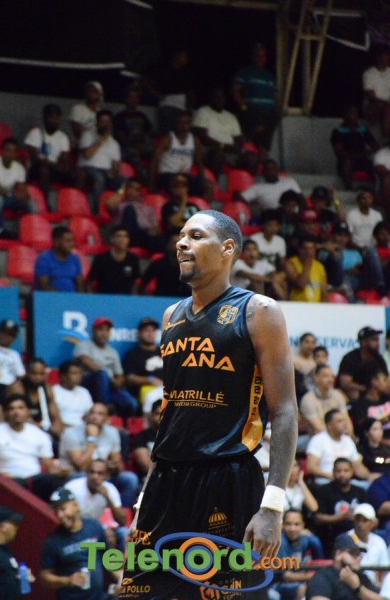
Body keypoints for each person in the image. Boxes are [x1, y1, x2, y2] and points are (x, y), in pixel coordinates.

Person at [121, 210, 298, 598]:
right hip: (166, 483)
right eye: (181, 236)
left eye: (196, 236)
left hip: (227, 480)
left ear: (227, 248)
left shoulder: (260, 311)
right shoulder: (171, 316)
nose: (181, 243)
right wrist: (143, 500)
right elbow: (171, 416)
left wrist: (273, 506)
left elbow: (284, 411)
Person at [59, 402, 139, 509]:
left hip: (102, 476)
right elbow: (81, 466)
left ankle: (122, 511)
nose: (95, 416)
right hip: (78, 477)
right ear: (86, 416)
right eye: (92, 413)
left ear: (107, 419)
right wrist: (92, 438)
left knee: (130, 479)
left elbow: (118, 464)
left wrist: (114, 466)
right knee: (85, 475)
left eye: (100, 414)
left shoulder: (112, 433)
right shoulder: (71, 433)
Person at [0, 395, 67, 500]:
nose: (16, 412)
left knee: (55, 481)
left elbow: (49, 466)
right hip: (7, 481)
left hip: (35, 480)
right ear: (6, 413)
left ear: (27, 412)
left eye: (20, 408)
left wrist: (60, 472)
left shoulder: (40, 435)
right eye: (12, 409)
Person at [40, 488, 109, 599]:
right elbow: (44, 577)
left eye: (63, 509)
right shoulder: (53, 541)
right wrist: (68, 580)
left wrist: (122, 581)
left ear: (76, 506)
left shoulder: (94, 526)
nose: (60, 515)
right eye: (56, 511)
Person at [73, 317, 138, 417]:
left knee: (131, 403)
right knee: (102, 375)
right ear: (94, 330)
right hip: (89, 384)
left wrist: (117, 382)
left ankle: (125, 423)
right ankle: (104, 409)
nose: (104, 333)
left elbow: (120, 375)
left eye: (107, 330)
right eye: (101, 329)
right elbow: (86, 361)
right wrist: (109, 377)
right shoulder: (84, 345)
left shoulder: (112, 352)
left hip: (109, 387)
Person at [64, 458, 128, 551]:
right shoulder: (72, 488)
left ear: (106, 476)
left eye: (100, 473)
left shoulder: (110, 489)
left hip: (95, 525)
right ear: (87, 473)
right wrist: (99, 529)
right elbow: (66, 517)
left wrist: (107, 497)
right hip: (76, 527)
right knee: (103, 534)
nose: (95, 476)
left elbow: (122, 521)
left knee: (123, 532)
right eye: (92, 472)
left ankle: (120, 560)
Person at [314, 458, 369, 555]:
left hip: (358, 533)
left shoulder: (360, 492)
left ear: (352, 472)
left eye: (346, 471)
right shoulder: (324, 491)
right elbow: (318, 518)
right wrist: (340, 517)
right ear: (333, 472)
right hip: (332, 535)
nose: (342, 474)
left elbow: (370, 515)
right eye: (338, 471)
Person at [306, 409, 373, 486]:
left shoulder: (348, 440)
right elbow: (311, 467)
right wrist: (332, 476)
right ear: (329, 425)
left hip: (347, 483)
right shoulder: (318, 440)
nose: (345, 424)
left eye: (345, 420)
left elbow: (357, 466)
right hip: (326, 483)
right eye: (340, 421)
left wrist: (370, 476)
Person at [306, 533, 382, 599]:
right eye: (353, 553)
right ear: (338, 554)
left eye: (359, 554)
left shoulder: (362, 578)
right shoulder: (323, 577)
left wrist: (358, 588)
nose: (359, 558)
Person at [232, 42, 278, 153]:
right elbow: (235, 91)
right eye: (257, 55)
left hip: (269, 115)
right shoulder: (245, 73)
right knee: (252, 143)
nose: (260, 58)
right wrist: (244, 108)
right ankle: (250, 161)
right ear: (252, 56)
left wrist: (277, 112)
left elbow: (276, 96)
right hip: (252, 113)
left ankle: (263, 163)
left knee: (265, 145)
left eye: (262, 55)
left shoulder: (270, 76)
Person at [77, 109, 123, 212]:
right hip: (88, 168)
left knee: (125, 181)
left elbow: (116, 165)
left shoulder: (115, 144)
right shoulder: (88, 135)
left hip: (106, 172)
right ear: (97, 123)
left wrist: (113, 172)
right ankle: (97, 211)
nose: (105, 125)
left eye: (108, 122)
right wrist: (102, 139)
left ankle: (116, 207)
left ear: (111, 124)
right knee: (99, 178)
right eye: (102, 122)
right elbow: (87, 154)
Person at [150, 112, 205, 197]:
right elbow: (155, 161)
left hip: (185, 175)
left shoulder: (194, 140)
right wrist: (152, 182)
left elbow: (199, 162)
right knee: (178, 182)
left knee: (206, 185)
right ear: (176, 124)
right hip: (167, 175)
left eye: (186, 123)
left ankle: (196, 204)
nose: (184, 126)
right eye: (181, 123)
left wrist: (202, 180)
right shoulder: (168, 138)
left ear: (190, 124)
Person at [273, 509, 324, 600]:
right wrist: (310, 576)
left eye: (297, 524)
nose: (292, 529)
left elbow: (320, 561)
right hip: (279, 585)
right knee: (304, 589)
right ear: (282, 525)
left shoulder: (307, 539)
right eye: (288, 524)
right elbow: (285, 576)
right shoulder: (279, 542)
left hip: (302, 582)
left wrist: (312, 537)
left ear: (303, 525)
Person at [24, 103, 73, 197]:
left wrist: (64, 167)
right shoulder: (35, 133)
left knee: (76, 173)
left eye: (57, 117)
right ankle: (45, 201)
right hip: (36, 169)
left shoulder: (63, 137)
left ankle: (71, 200)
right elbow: (35, 159)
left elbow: (65, 158)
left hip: (54, 169)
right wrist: (54, 165)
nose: (55, 120)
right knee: (44, 170)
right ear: (45, 118)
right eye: (51, 117)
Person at [8, 356, 63, 439]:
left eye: (41, 374)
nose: (38, 377)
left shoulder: (48, 389)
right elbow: (19, 416)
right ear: (26, 372)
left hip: (42, 432)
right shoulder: (17, 388)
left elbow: (56, 417)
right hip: (19, 430)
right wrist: (45, 428)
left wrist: (58, 430)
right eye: (34, 374)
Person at [0, 137, 33, 239]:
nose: (10, 154)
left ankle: (31, 230)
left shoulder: (19, 168)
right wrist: (12, 194)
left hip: (8, 198)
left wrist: (24, 195)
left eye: (14, 151)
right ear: (2, 151)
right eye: (8, 150)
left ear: (17, 154)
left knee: (31, 202)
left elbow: (22, 188)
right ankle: (0, 229)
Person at [192, 86, 243, 175]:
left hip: (230, 150)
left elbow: (238, 139)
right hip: (209, 149)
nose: (220, 100)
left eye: (222, 97)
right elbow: (203, 137)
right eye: (217, 97)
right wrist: (222, 146)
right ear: (211, 98)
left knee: (250, 158)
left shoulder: (231, 116)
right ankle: (217, 182)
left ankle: (248, 182)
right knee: (217, 155)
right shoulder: (202, 112)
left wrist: (236, 148)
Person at [107, 177, 165, 253]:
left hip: (143, 236)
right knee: (129, 209)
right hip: (126, 234)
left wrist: (154, 230)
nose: (132, 191)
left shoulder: (148, 208)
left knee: (161, 240)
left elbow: (156, 226)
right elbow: (110, 204)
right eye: (130, 188)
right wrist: (122, 190)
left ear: (140, 192)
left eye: (136, 190)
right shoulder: (121, 205)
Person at [331, 104, 378, 189]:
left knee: (378, 163)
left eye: (356, 113)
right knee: (347, 162)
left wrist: (370, 152)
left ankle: (375, 190)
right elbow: (339, 151)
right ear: (345, 115)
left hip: (362, 159)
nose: (355, 116)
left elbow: (375, 145)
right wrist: (354, 156)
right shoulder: (338, 132)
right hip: (347, 160)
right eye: (352, 113)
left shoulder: (363, 130)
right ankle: (349, 190)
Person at [114, 84, 154, 182]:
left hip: (142, 145)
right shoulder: (120, 116)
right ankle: (143, 180)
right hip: (126, 148)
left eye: (136, 97)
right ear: (125, 100)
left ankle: (154, 180)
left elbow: (150, 132)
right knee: (133, 153)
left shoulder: (142, 115)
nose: (134, 100)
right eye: (131, 97)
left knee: (156, 153)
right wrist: (136, 147)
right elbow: (122, 138)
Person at [300, 364, 353, 436]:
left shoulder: (338, 395)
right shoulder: (308, 399)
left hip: (339, 435)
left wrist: (348, 435)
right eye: (326, 376)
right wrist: (339, 436)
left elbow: (347, 420)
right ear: (316, 378)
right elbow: (318, 427)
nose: (330, 380)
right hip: (315, 438)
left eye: (332, 376)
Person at [338, 327, 388, 402]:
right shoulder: (350, 358)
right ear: (364, 342)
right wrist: (367, 389)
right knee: (354, 393)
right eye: (374, 340)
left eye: (377, 340)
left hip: (376, 392)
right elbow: (345, 383)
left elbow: (386, 378)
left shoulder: (379, 359)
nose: (378, 344)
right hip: (358, 394)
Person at [0, 319, 25, 422]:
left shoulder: (14, 354)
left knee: (17, 385)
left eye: (10, 334)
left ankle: (19, 416)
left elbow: (21, 375)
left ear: (14, 338)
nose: (6, 336)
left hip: (6, 388)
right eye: (3, 332)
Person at [0, 506, 28, 600]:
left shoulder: (5, 550)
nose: (17, 528)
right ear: (3, 527)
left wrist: (22, 577)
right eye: (14, 524)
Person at [87, 225, 140, 294]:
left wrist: (133, 298)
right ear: (112, 239)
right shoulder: (101, 259)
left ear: (128, 240)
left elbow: (136, 282)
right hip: (104, 297)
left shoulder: (133, 259)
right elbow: (89, 281)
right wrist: (92, 298)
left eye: (125, 236)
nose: (122, 239)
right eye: (119, 236)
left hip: (125, 298)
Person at [347, 503, 389, 588]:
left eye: (365, 520)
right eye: (358, 519)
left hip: (373, 587)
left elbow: (385, 571)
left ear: (373, 523)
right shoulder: (346, 539)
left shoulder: (379, 542)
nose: (360, 524)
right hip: (350, 585)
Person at [123, 317, 163, 402]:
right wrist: (150, 380)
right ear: (139, 333)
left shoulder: (165, 352)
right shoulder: (132, 354)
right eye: (147, 330)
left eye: (153, 330)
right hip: (144, 390)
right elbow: (130, 378)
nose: (150, 333)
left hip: (166, 389)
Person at [138, 232, 190, 297]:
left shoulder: (190, 265)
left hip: (182, 300)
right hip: (161, 299)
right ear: (168, 245)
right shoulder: (159, 263)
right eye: (174, 243)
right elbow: (142, 283)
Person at [35, 225, 84, 292]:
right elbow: (44, 287)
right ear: (56, 242)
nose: (72, 244)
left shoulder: (75, 259)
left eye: (73, 240)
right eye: (68, 241)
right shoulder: (44, 259)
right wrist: (61, 297)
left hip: (73, 297)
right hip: (52, 297)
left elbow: (80, 285)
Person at [285, 237, 328, 302]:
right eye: (305, 248)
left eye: (311, 249)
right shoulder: (291, 263)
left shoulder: (320, 266)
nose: (308, 252)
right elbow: (301, 285)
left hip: (316, 306)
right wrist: (307, 266)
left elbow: (324, 294)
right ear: (299, 249)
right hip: (297, 305)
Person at [52, 359, 93, 428]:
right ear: (63, 376)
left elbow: (90, 413)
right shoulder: (53, 391)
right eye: (74, 374)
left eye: (80, 373)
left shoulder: (84, 391)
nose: (78, 376)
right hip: (63, 428)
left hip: (84, 428)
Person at [362, 45, 390, 140]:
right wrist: (386, 104)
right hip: (372, 105)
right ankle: (387, 137)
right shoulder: (369, 73)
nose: (388, 58)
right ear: (379, 57)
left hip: (387, 105)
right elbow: (371, 97)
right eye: (386, 55)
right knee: (386, 107)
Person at [130, 398, 162, 480]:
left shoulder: (176, 437)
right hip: (150, 479)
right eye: (158, 413)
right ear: (151, 416)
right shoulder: (141, 437)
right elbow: (146, 466)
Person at [69, 81, 103, 146]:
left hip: (95, 147)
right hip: (78, 145)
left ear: (100, 95)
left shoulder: (101, 113)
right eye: (89, 91)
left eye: (95, 91)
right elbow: (76, 130)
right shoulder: (78, 108)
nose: (91, 93)